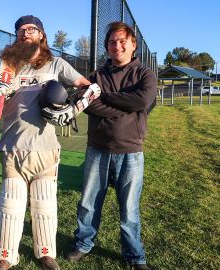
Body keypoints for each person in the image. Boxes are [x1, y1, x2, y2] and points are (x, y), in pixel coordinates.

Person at [0, 15, 95, 270]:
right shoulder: (7, 66)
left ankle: (46, 254)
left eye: (31, 29)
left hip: (45, 149)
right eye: (20, 30)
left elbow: (90, 88)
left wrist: (72, 110)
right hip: (13, 147)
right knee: (10, 206)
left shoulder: (56, 64)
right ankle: (5, 258)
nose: (25, 33)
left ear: (42, 35)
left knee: (45, 206)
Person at [65, 22, 157, 270]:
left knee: (129, 210)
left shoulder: (144, 75)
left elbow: (142, 101)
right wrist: (123, 106)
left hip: (131, 151)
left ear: (133, 44)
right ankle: (83, 243)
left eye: (122, 40)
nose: (117, 45)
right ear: (107, 47)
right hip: (98, 149)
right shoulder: (96, 77)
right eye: (112, 42)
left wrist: (103, 97)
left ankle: (135, 255)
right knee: (89, 203)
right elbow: (89, 105)